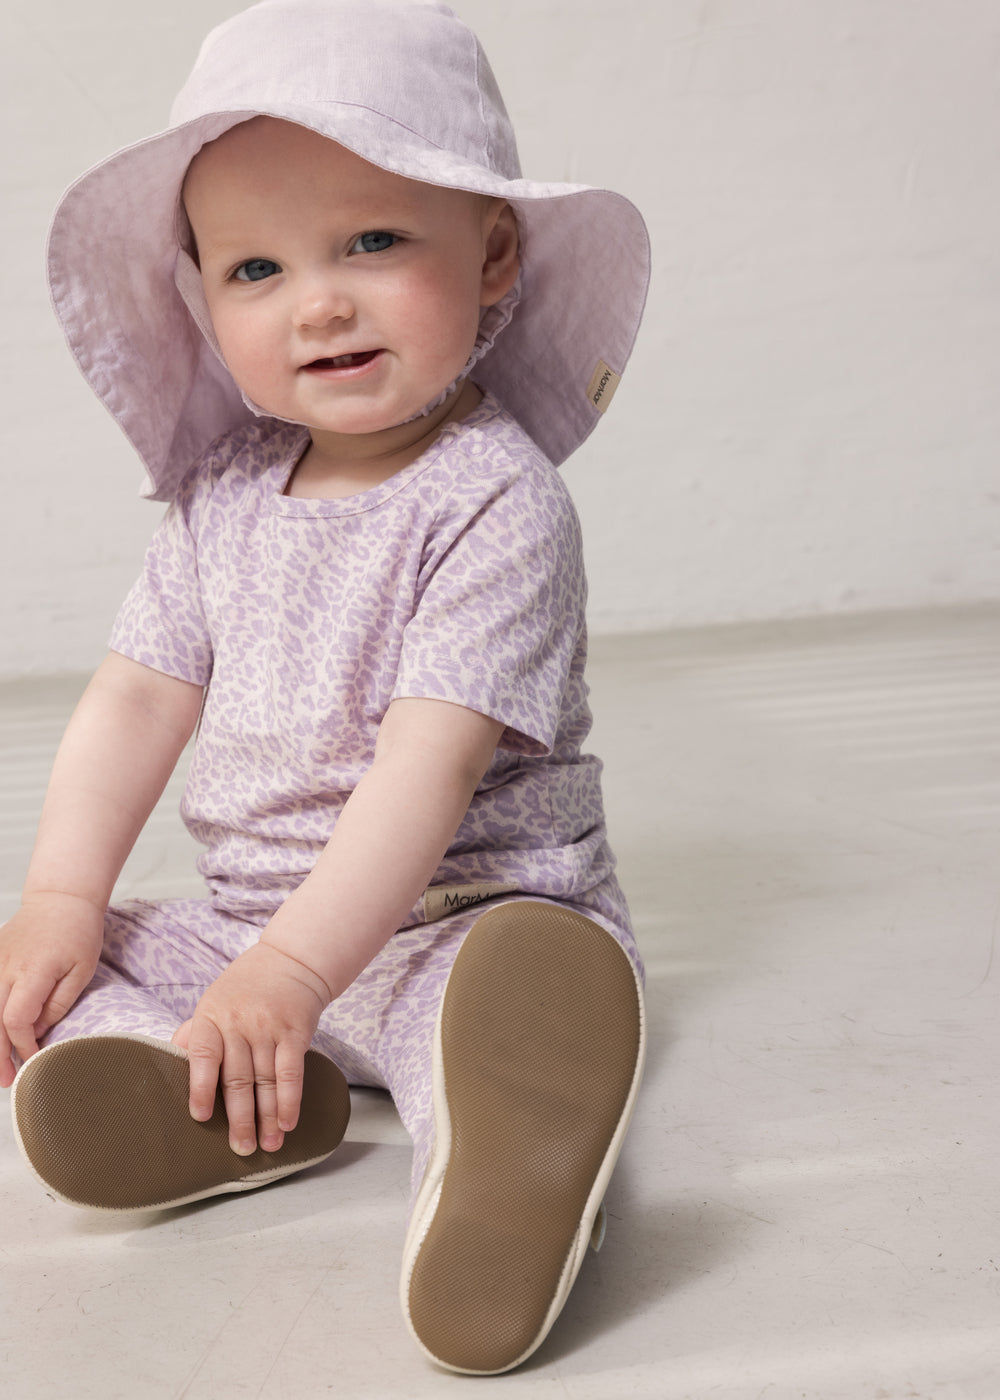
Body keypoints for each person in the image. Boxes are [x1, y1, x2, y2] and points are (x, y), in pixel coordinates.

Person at [1, 0, 649, 1376]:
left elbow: (429, 767)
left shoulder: (494, 504)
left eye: (372, 241)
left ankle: (500, 1154)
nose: (321, 299)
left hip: (448, 921)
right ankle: (235, 1100)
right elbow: (133, 702)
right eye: (254, 268)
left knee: (499, 984)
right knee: (97, 962)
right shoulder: (219, 497)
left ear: (491, 260)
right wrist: (59, 902)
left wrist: (298, 971)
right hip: (248, 932)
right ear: (202, 301)